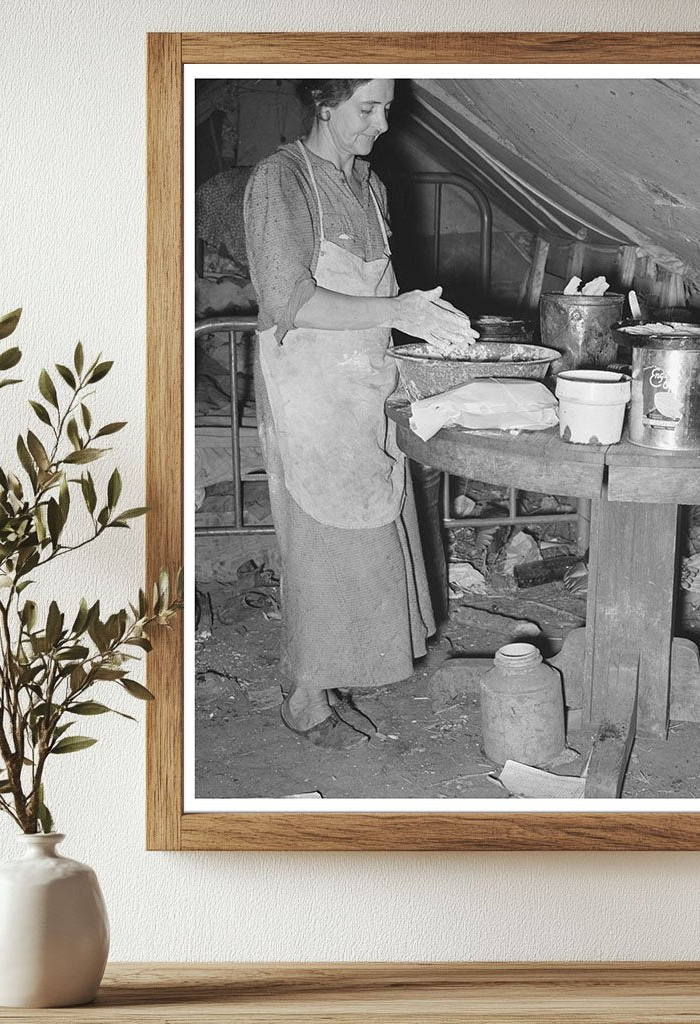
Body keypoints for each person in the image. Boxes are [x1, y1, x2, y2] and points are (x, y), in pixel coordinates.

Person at [243, 79, 478, 750]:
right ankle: (304, 695)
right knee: (318, 543)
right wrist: (398, 312)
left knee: (372, 531)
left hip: (364, 379)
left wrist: (423, 325)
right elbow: (291, 299)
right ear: (324, 101)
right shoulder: (279, 180)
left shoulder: (370, 184)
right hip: (309, 383)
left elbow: (380, 293)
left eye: (388, 109)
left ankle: (346, 667)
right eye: (366, 108)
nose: (381, 123)